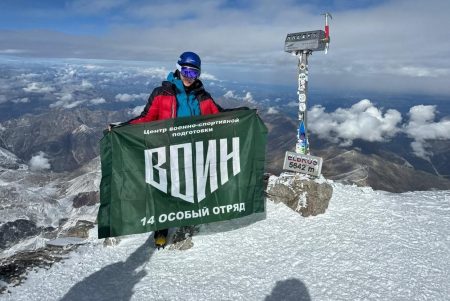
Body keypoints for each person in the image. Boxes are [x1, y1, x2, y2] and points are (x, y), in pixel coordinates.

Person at [114, 51, 221, 249]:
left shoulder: (203, 97)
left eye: (194, 73)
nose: (190, 77)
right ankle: (161, 230)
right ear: (179, 69)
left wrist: (245, 115)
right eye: (186, 71)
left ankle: (189, 220)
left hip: (192, 151)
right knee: (163, 190)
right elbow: (146, 119)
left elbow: (220, 116)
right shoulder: (162, 94)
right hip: (166, 150)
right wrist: (122, 128)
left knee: (190, 186)